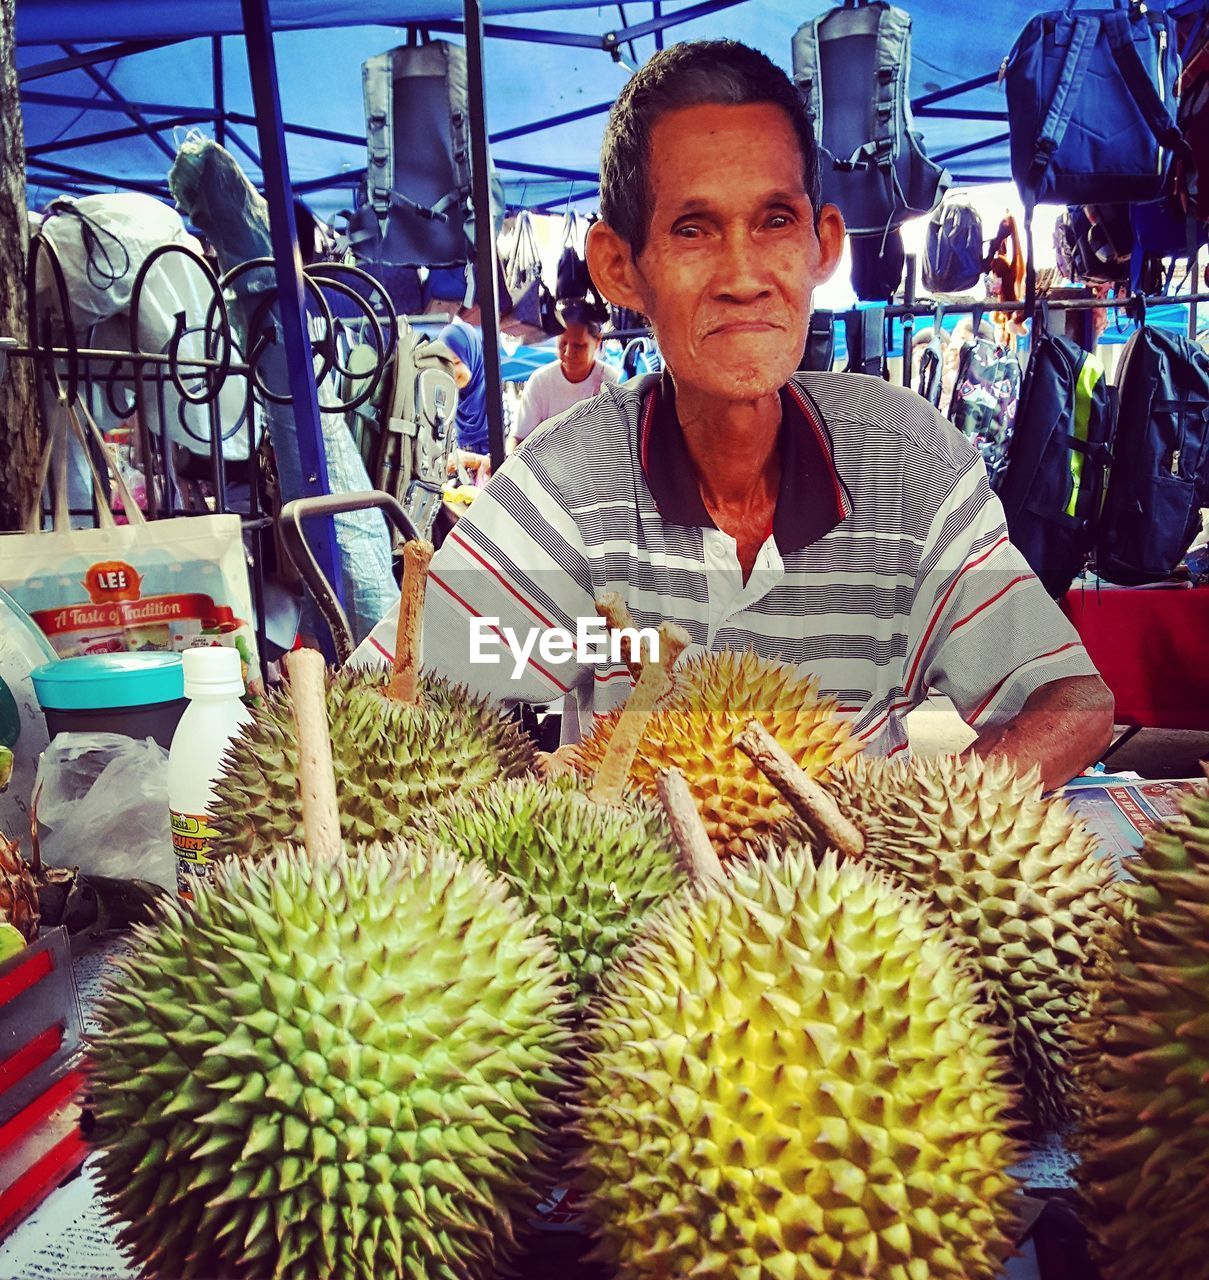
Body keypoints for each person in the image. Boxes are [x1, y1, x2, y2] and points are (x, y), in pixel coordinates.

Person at [357, 39, 1113, 790]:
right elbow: (388, 707)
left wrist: (925, 823)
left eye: (775, 221)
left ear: (822, 246)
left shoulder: (906, 467)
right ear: (620, 267)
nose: (743, 276)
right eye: (693, 229)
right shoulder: (566, 490)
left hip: (853, 901)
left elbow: (1070, 700)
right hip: (635, 897)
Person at [511, 300, 620, 448]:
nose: (568, 353)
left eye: (578, 346)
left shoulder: (611, 382)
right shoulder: (540, 382)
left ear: (597, 342)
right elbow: (518, 439)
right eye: (562, 343)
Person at [436, 317, 492, 480]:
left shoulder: (498, 405)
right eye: (445, 363)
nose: (452, 371)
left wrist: (469, 460)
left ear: (472, 358)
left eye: (457, 362)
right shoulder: (445, 407)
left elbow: (511, 459)